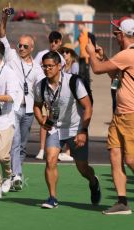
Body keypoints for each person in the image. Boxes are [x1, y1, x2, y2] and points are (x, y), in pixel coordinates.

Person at [33, 51, 100, 209]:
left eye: (50, 66)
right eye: (45, 66)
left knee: (82, 167)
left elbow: (88, 107)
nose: (47, 69)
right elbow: (36, 106)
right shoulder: (41, 85)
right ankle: (52, 198)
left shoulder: (73, 82)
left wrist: (83, 130)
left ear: (59, 66)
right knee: (50, 160)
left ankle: (93, 181)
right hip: (55, 128)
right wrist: (41, 120)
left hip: (75, 128)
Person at [86, 16, 134, 215]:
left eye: (116, 33)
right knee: (115, 155)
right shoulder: (125, 55)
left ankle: (122, 201)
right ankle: (122, 201)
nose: (115, 36)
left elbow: (96, 70)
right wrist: (104, 58)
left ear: (123, 34)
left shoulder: (128, 54)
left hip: (130, 115)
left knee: (131, 160)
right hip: (119, 114)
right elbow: (113, 75)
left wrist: (90, 53)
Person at [0, 6, 44, 188]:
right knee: (15, 141)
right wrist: (4, 19)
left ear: (32, 48)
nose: (21, 48)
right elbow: (2, 36)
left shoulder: (38, 68)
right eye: (20, 45)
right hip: (13, 108)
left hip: (29, 109)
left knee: (22, 145)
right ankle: (15, 175)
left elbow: (41, 89)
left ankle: (14, 175)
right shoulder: (11, 57)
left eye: (25, 46)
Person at [0, 40, 20, 199]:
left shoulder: (9, 72)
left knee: (2, 155)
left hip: (6, 119)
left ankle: (9, 175)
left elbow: (13, 97)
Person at [34, 31, 66, 161]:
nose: (53, 44)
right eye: (51, 41)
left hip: (57, 94)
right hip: (44, 92)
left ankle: (59, 148)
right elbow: (35, 69)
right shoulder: (41, 54)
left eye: (56, 41)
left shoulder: (61, 58)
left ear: (60, 42)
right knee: (44, 119)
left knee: (56, 120)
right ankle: (42, 149)